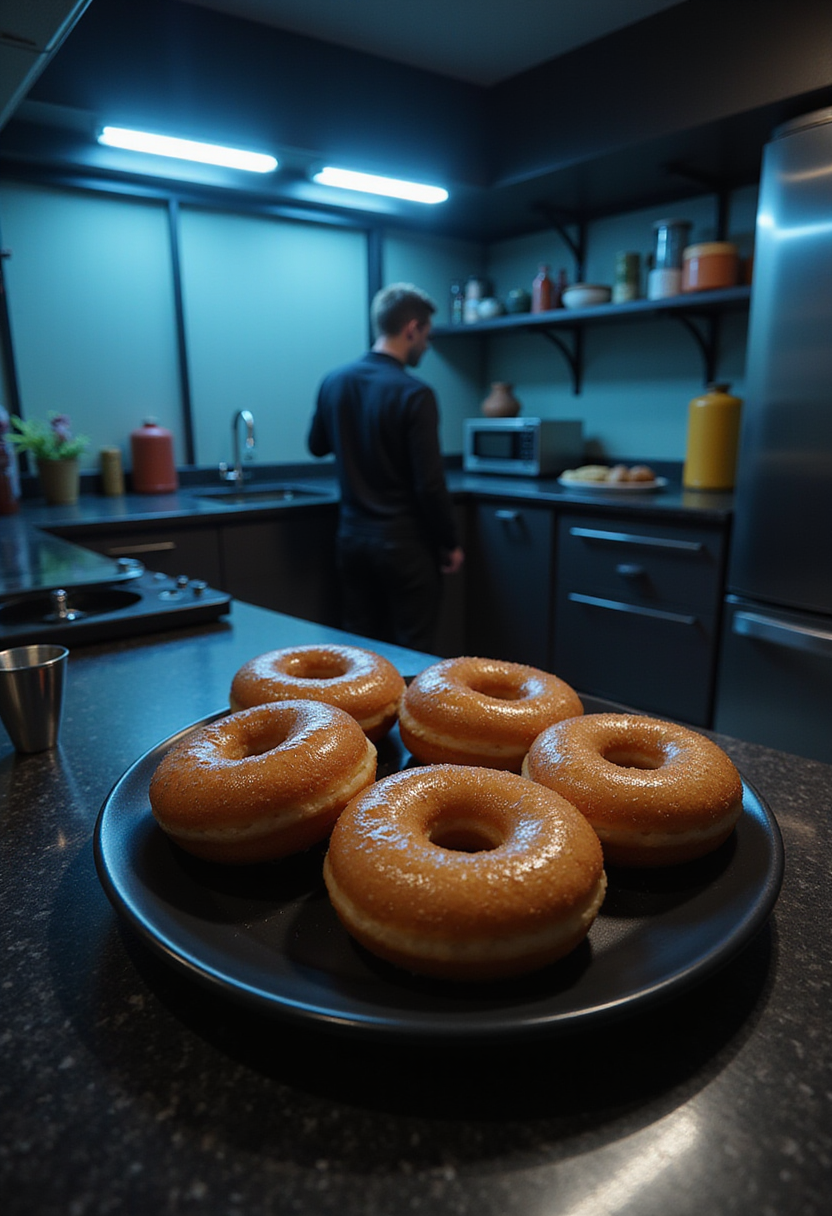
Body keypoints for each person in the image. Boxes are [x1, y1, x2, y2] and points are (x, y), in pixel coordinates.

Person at [307, 282, 464, 652]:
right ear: (412, 329)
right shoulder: (415, 393)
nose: (426, 344)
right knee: (413, 651)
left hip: (352, 541)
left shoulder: (334, 381)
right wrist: (450, 542)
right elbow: (429, 483)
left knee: (359, 652)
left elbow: (316, 447)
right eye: (426, 334)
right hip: (404, 546)